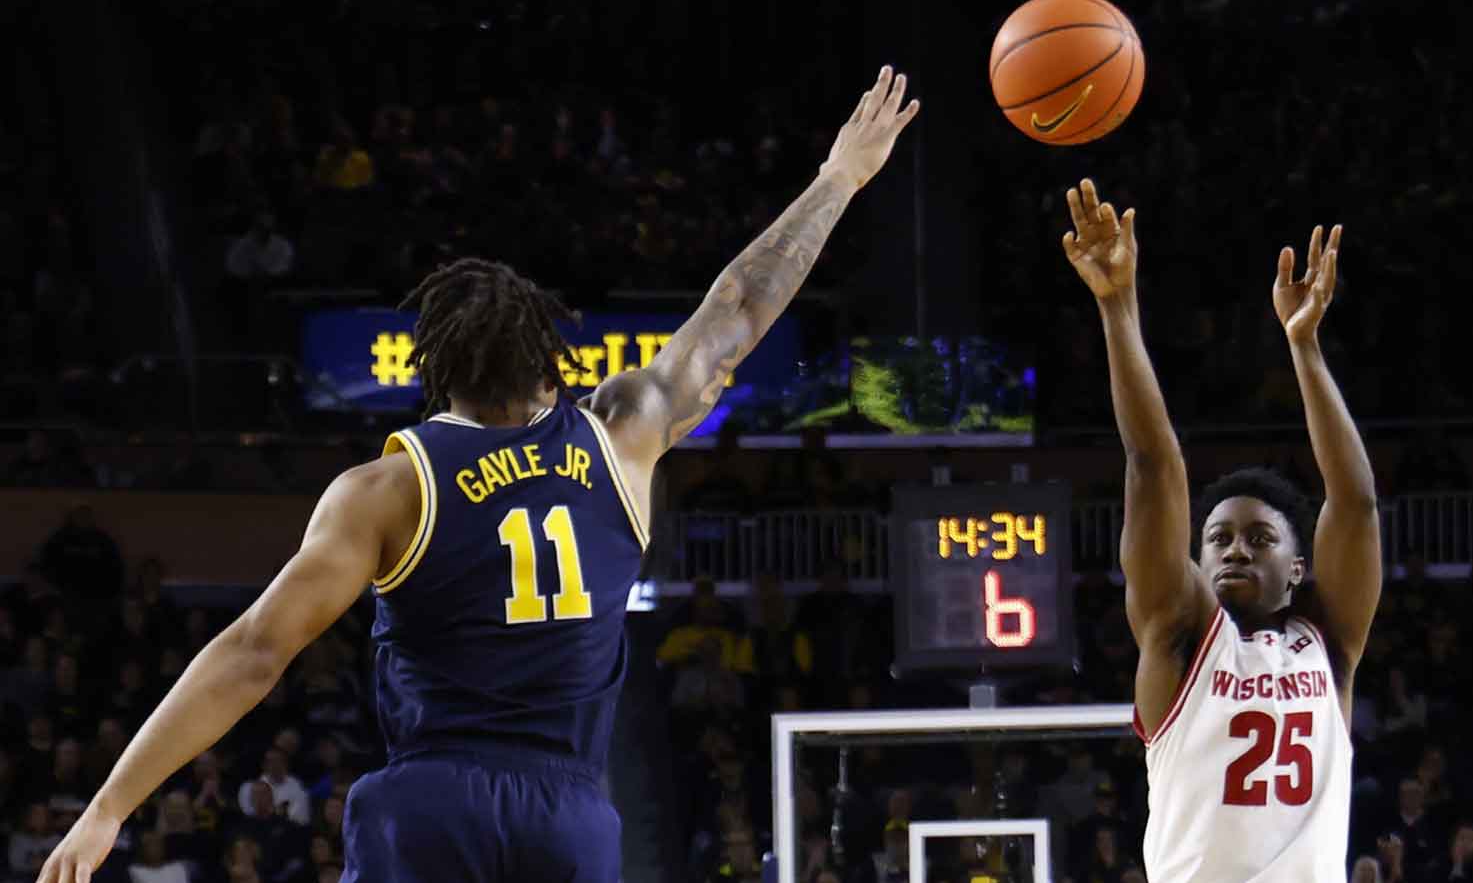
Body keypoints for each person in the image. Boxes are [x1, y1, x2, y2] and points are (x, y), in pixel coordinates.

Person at [35, 66, 918, 883]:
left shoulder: (391, 488)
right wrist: (840, 177)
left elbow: (256, 651)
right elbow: (738, 308)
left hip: (430, 802)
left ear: (436, 374)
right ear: (552, 369)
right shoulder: (622, 436)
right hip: (570, 814)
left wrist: (110, 805)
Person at [1062, 180, 1380, 881]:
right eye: (1218, 538)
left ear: (1300, 568)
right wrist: (1118, 307)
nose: (1235, 547)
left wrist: (1306, 350)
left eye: (1261, 539)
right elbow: (1152, 464)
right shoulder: (1178, 635)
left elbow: (1354, 504)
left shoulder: (1327, 647)